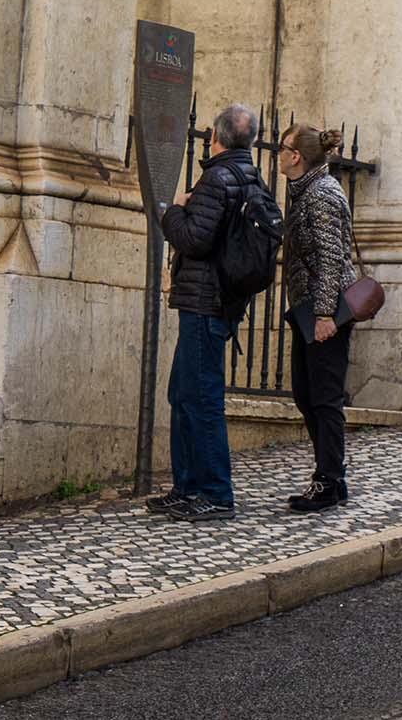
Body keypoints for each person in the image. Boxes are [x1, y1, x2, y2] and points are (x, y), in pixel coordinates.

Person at [152, 104, 271, 521]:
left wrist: (172, 211)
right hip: (222, 302)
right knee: (183, 394)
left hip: (204, 303)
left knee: (200, 398)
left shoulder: (216, 179)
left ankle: (216, 493)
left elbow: (193, 239)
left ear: (216, 137)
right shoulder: (253, 178)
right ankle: (187, 487)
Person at [276, 124, 358, 513]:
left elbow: (330, 258)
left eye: (282, 147)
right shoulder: (305, 191)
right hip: (308, 308)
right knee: (306, 395)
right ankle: (330, 475)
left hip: (324, 312)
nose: (277, 153)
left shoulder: (321, 195)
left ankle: (329, 480)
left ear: (296, 157)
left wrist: (326, 314)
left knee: (324, 399)